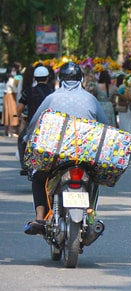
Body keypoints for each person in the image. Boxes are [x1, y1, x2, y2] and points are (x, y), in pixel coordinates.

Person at [23, 62, 112, 234]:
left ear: (60, 79)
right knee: (94, 180)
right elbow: (105, 125)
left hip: (56, 155)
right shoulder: (90, 99)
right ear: (81, 79)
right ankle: (90, 213)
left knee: (38, 178)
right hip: (85, 155)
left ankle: (40, 218)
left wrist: (28, 137)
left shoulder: (52, 98)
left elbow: (35, 122)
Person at [3, 62, 22, 136]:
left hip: (5, 96)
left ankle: (6, 131)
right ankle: (10, 132)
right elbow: (15, 89)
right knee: (12, 113)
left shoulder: (6, 79)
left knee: (6, 113)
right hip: (11, 96)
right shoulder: (11, 79)